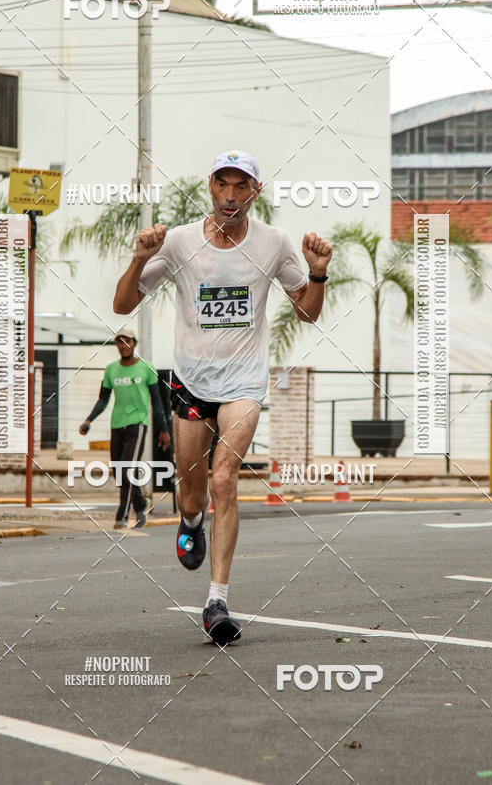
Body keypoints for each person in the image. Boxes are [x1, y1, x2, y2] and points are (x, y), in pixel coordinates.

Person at [112, 150, 332, 644]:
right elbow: (123, 303)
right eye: (223, 185)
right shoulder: (182, 241)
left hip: (244, 384)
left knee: (224, 477)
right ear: (210, 187)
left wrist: (317, 273)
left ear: (255, 191)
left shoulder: (273, 243)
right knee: (192, 492)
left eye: (241, 187)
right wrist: (140, 258)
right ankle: (190, 521)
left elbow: (308, 313)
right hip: (191, 383)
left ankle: (217, 601)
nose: (231, 196)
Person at [79, 326, 171, 529]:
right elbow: (103, 400)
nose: (124, 345)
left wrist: (163, 430)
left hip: (137, 424)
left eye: (127, 341)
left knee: (127, 469)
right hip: (117, 424)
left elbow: (157, 402)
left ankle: (121, 516)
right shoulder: (112, 369)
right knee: (118, 472)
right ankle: (140, 504)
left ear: (134, 343)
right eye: (120, 341)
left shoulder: (147, 368)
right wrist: (89, 420)